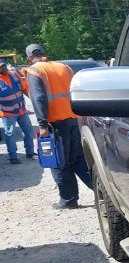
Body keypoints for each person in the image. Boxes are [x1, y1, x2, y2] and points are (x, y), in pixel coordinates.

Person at [25, 44, 92, 209]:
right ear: (44, 53)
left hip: (54, 124)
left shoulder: (35, 71)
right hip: (74, 119)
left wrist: (42, 125)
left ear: (28, 58)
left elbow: (39, 98)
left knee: (58, 161)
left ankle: (69, 199)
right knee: (78, 159)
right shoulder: (65, 68)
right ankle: (104, 191)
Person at [0, 59, 35, 164]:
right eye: (1, 67)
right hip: (8, 113)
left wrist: (33, 100)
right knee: (10, 134)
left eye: (4, 66)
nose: (4, 68)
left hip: (21, 110)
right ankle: (13, 157)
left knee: (28, 131)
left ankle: (30, 152)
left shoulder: (15, 75)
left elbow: (24, 88)